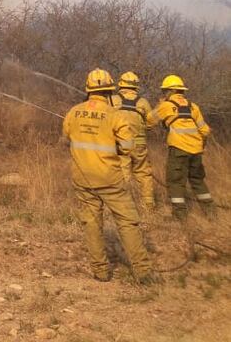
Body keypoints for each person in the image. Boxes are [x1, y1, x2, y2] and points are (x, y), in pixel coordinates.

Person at [62, 68, 153, 283]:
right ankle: (143, 273)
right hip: (110, 179)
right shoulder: (116, 115)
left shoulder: (73, 112)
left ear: (89, 90)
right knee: (127, 222)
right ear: (111, 92)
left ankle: (101, 272)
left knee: (92, 224)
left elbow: (67, 138)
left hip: (83, 178)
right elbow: (129, 148)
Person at [153, 75, 214, 219]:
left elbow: (149, 121)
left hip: (179, 150)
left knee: (175, 181)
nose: (164, 94)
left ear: (169, 91)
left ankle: (180, 216)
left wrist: (158, 106)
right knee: (197, 181)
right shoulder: (193, 106)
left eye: (165, 91)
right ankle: (211, 212)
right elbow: (205, 130)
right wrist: (200, 145)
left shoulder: (166, 105)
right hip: (196, 151)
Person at [112, 71, 156, 211]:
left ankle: (122, 206)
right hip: (140, 145)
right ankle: (148, 206)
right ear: (136, 86)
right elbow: (152, 122)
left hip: (121, 144)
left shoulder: (113, 100)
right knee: (143, 173)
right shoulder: (143, 102)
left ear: (121, 84)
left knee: (122, 173)